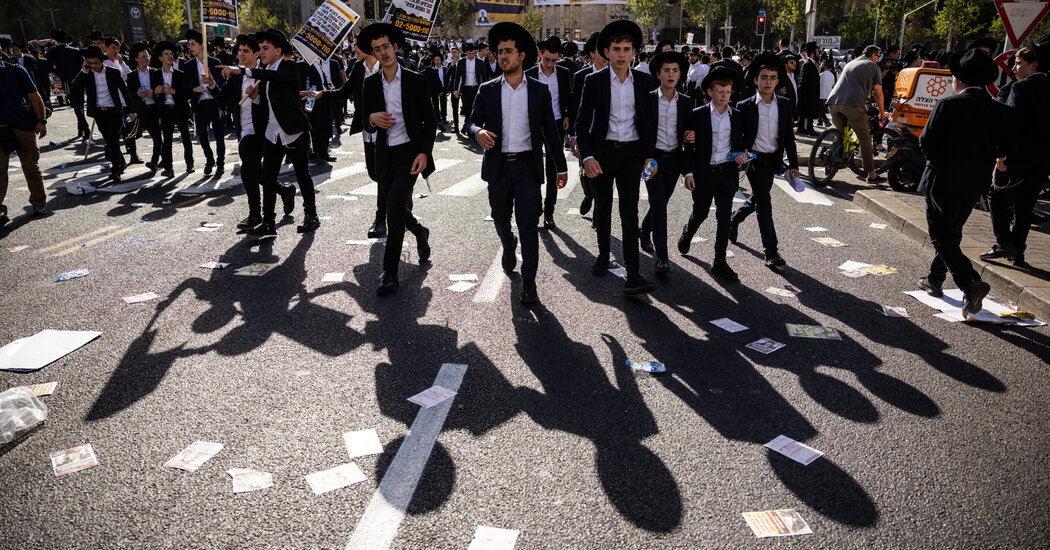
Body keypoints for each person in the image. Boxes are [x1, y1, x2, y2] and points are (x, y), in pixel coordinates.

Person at [468, 22, 567, 304]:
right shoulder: (487, 89)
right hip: (498, 167)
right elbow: (470, 122)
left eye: (509, 51)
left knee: (528, 225)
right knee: (500, 218)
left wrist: (560, 166)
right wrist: (478, 132)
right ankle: (507, 244)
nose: (503, 57)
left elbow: (550, 130)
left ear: (522, 55)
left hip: (527, 167)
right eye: (499, 52)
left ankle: (529, 282)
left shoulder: (537, 90)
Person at [916, 48, 1012, 317]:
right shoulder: (999, 110)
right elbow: (1004, 146)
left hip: (943, 179)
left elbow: (926, 142)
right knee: (952, 231)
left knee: (941, 234)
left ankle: (970, 283)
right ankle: (934, 279)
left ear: (959, 79)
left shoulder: (948, 103)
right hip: (975, 182)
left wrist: (940, 162)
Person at [575, 20, 657, 295]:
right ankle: (602, 255)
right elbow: (581, 123)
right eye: (616, 49)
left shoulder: (644, 81)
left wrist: (649, 157)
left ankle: (633, 273)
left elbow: (648, 124)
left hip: (632, 154)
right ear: (607, 52)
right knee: (603, 207)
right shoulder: (594, 81)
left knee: (629, 210)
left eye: (627, 49)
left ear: (634, 52)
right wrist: (587, 157)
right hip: (603, 153)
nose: (622, 54)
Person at [357, 23, 436, 295]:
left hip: (410, 155)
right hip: (384, 155)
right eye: (377, 49)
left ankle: (390, 272)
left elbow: (430, 121)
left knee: (392, 208)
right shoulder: (369, 83)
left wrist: (424, 153)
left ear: (396, 47)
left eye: (386, 47)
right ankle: (420, 232)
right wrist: (372, 119)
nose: (383, 52)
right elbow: (363, 120)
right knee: (397, 208)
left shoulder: (416, 80)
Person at [218, 28, 318, 236]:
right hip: (272, 133)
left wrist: (244, 71)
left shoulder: (288, 68)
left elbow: (276, 77)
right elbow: (263, 103)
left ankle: (311, 214)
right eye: (260, 48)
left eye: (265, 48)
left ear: (278, 51)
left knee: (302, 174)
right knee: (269, 178)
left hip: (294, 131)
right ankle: (268, 222)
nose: (261, 52)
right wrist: (253, 95)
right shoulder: (262, 74)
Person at [676, 66, 749, 281]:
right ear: (710, 92)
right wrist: (688, 172)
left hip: (726, 173)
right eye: (720, 91)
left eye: (728, 92)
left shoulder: (736, 115)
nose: (724, 96)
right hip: (704, 173)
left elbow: (740, 141)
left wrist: (741, 154)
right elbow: (688, 146)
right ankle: (688, 231)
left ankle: (720, 261)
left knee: (724, 217)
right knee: (701, 212)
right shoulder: (697, 115)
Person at [727, 53, 799, 268]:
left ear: (778, 81)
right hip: (753, 160)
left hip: (773, 159)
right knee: (764, 203)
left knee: (760, 197)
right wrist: (739, 152)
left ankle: (734, 219)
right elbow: (735, 136)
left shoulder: (784, 105)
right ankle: (771, 252)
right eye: (764, 77)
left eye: (772, 77)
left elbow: (789, 138)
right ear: (756, 80)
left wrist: (794, 165)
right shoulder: (745, 105)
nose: (768, 82)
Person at [982, 46, 1049, 268]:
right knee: (1025, 205)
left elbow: (1010, 123)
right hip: (1041, 160)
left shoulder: (1021, 88)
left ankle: (1003, 242)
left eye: (1019, 63)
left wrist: (1000, 154)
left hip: (1017, 156)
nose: (1014, 68)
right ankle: (1018, 251)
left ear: (1034, 65)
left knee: (995, 195)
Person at [640, 50, 691, 276]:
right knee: (659, 204)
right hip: (652, 160)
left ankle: (644, 229)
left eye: (675, 71)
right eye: (666, 71)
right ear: (658, 74)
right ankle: (662, 256)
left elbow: (690, 131)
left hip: (674, 160)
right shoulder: (648, 99)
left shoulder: (687, 101)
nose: (671, 75)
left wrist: (692, 135)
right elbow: (640, 131)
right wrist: (646, 157)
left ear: (680, 75)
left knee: (662, 203)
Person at [211, 34, 266, 231]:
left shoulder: (264, 74)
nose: (241, 54)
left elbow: (268, 104)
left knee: (247, 172)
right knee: (259, 175)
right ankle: (284, 190)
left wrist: (256, 97)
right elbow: (222, 98)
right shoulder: (237, 77)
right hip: (243, 131)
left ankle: (255, 214)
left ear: (256, 54)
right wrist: (211, 84)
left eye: (246, 51)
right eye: (239, 51)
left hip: (261, 132)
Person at [70, 46, 136, 183]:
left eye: (96, 63)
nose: (94, 66)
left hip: (114, 111)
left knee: (113, 140)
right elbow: (75, 87)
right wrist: (83, 70)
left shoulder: (113, 72)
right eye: (91, 63)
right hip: (99, 112)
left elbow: (124, 91)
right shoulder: (87, 73)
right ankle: (121, 162)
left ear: (102, 61)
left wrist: (131, 110)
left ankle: (116, 171)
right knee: (109, 141)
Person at [525, 36, 571, 229]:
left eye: (554, 60)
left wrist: (567, 116)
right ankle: (536, 209)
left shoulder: (563, 72)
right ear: (540, 55)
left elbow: (568, 96)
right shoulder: (529, 74)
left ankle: (549, 211)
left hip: (557, 123)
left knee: (553, 169)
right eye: (547, 60)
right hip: (534, 126)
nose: (551, 64)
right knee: (534, 168)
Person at [826, 45, 886, 184]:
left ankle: (829, 162)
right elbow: (878, 92)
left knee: (840, 135)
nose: (878, 60)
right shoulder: (873, 66)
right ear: (873, 56)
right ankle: (871, 175)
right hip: (852, 105)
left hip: (833, 102)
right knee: (865, 138)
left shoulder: (851, 62)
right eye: (878, 57)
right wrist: (882, 112)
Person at [0, 57, 50, 225]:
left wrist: (41, 120)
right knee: (1, 171)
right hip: (3, 128)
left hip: (23, 125)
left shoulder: (15, 70)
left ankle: (38, 202)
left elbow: (34, 96)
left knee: (30, 166)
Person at [569, 32, 603, 218]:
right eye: (601, 50)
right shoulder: (581, 76)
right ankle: (588, 194)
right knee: (585, 170)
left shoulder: (613, 75)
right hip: (585, 131)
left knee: (603, 173)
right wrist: (573, 134)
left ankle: (599, 210)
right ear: (592, 52)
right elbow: (575, 107)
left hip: (606, 134)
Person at [183, 29, 226, 176]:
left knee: (220, 136)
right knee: (202, 134)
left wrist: (214, 88)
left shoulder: (215, 62)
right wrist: (193, 89)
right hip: (200, 105)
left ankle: (221, 163)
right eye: (189, 44)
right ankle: (209, 159)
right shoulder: (188, 65)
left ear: (202, 45)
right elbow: (185, 87)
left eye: (193, 44)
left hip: (215, 104)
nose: (190, 47)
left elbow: (224, 84)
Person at [152, 41, 195, 177]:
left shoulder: (180, 74)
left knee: (185, 137)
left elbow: (188, 93)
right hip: (165, 110)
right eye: (166, 54)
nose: (170, 56)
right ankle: (168, 168)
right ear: (160, 58)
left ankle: (190, 164)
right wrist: (156, 91)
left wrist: (173, 91)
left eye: (171, 54)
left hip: (180, 109)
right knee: (167, 140)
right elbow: (153, 94)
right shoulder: (155, 75)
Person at [46, 29, 91, 139]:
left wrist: (59, 73)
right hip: (79, 79)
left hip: (66, 81)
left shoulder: (52, 51)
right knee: (79, 104)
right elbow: (83, 64)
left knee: (76, 106)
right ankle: (81, 129)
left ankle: (85, 128)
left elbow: (48, 67)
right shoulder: (75, 50)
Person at [126, 42, 163, 173]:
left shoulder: (155, 73)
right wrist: (137, 93)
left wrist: (155, 92)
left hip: (155, 107)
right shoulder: (131, 76)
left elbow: (161, 87)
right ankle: (164, 157)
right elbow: (128, 93)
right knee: (155, 135)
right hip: (142, 109)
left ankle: (154, 162)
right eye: (143, 56)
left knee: (157, 136)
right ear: (136, 59)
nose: (146, 58)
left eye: (147, 56)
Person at [454, 43, 486, 135]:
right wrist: (456, 89)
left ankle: (467, 127)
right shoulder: (461, 62)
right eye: (469, 53)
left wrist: (485, 90)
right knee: (467, 108)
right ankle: (467, 126)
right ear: (466, 53)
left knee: (474, 108)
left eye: (473, 53)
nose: (471, 55)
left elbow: (484, 77)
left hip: (476, 88)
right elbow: (457, 77)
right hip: (465, 89)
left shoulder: (480, 62)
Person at [796, 42, 821, 135]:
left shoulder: (813, 63)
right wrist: (803, 94)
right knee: (806, 112)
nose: (818, 53)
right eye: (817, 51)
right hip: (808, 94)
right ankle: (806, 128)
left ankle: (805, 128)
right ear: (812, 53)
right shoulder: (807, 64)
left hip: (812, 93)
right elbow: (802, 80)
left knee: (809, 112)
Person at [424, 48, 450, 130]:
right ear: (434, 61)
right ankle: (437, 118)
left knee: (443, 103)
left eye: (439, 59)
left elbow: (447, 79)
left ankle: (444, 117)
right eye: (436, 60)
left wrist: (447, 89)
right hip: (434, 90)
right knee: (435, 104)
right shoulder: (431, 70)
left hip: (443, 88)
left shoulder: (444, 69)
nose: (438, 61)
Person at [446, 45, 462, 134]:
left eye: (455, 52)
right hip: (454, 88)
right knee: (454, 109)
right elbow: (448, 76)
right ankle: (456, 128)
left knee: (467, 108)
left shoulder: (463, 62)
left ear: (459, 52)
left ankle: (467, 127)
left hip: (464, 87)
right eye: (452, 52)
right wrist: (451, 65)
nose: (453, 54)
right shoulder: (450, 63)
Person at [818, 60, 835, 126]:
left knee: (821, 108)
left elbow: (818, 84)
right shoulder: (832, 75)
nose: (820, 66)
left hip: (822, 94)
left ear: (824, 66)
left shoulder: (821, 75)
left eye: (821, 65)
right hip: (829, 94)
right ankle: (820, 121)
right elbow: (833, 85)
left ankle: (826, 121)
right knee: (821, 108)